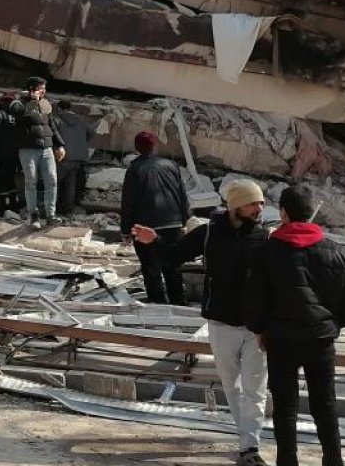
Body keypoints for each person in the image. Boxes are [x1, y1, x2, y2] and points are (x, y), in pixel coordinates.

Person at [132, 180, 271, 465]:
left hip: (255, 327)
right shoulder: (208, 233)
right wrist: (154, 241)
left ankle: (250, 446)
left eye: (261, 204)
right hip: (220, 323)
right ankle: (246, 438)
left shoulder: (264, 237)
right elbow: (172, 258)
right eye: (252, 203)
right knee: (232, 386)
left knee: (255, 388)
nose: (259, 209)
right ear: (235, 206)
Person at [246, 185, 345, 466]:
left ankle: (288, 461)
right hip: (320, 339)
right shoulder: (336, 251)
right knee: (325, 404)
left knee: (285, 407)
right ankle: (333, 460)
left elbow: (255, 296)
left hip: (281, 340)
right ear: (311, 213)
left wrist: (258, 328)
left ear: (283, 213)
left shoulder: (268, 251)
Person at [121, 131, 190, 305]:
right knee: (173, 265)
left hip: (146, 226)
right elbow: (182, 195)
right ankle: (179, 302)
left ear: (136, 148)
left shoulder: (135, 170)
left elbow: (128, 202)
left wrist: (126, 230)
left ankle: (158, 305)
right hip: (173, 223)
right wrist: (184, 218)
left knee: (151, 268)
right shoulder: (171, 166)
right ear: (156, 146)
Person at [10, 77, 66, 228]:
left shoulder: (46, 104)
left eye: (44, 88)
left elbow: (52, 126)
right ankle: (33, 216)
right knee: (31, 182)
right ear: (32, 89)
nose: (44, 91)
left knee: (52, 180)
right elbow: (19, 116)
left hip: (46, 148)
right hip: (28, 149)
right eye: (41, 88)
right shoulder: (19, 103)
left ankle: (50, 215)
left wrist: (60, 145)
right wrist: (32, 102)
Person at [53, 100, 93, 216]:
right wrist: (82, 142)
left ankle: (52, 209)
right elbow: (92, 133)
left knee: (54, 183)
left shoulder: (57, 119)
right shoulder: (81, 120)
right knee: (71, 184)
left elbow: (53, 136)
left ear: (59, 108)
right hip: (78, 158)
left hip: (63, 156)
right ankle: (68, 210)